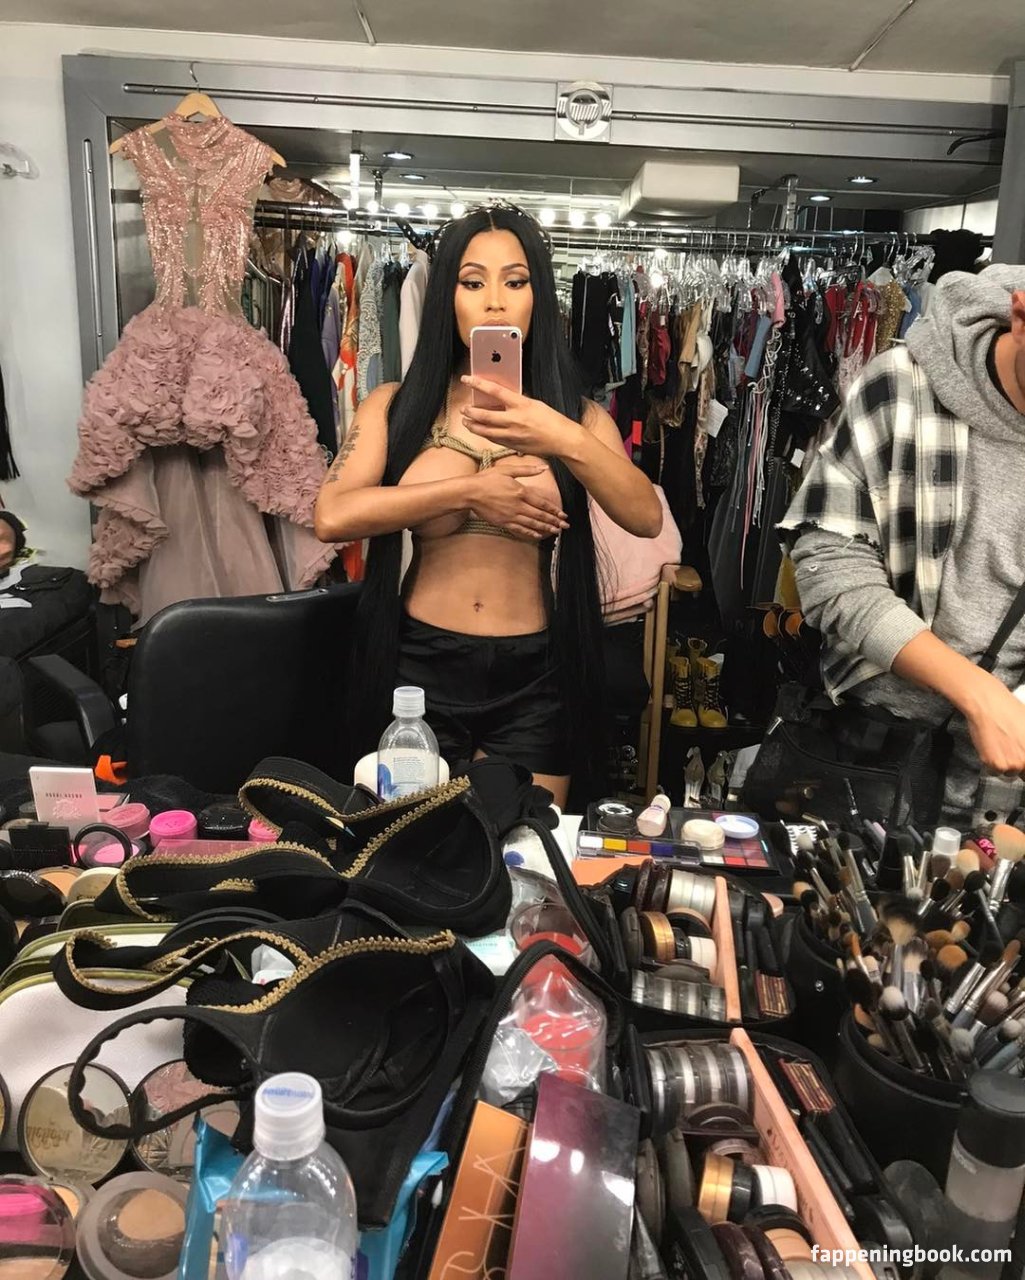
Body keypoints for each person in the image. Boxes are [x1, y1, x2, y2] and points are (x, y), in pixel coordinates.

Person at [314, 205, 662, 806]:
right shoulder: (396, 406)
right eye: (473, 283)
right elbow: (332, 516)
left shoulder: (576, 418)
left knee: (523, 849)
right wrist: (472, 491)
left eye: (516, 282)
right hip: (417, 670)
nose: (495, 302)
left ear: (538, 298)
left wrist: (561, 436)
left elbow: (644, 516)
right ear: (447, 298)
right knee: (414, 844)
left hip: (536, 674)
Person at [780, 264, 1025, 827]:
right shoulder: (904, 387)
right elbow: (830, 565)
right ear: (1019, 314)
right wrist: (976, 692)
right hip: (876, 756)